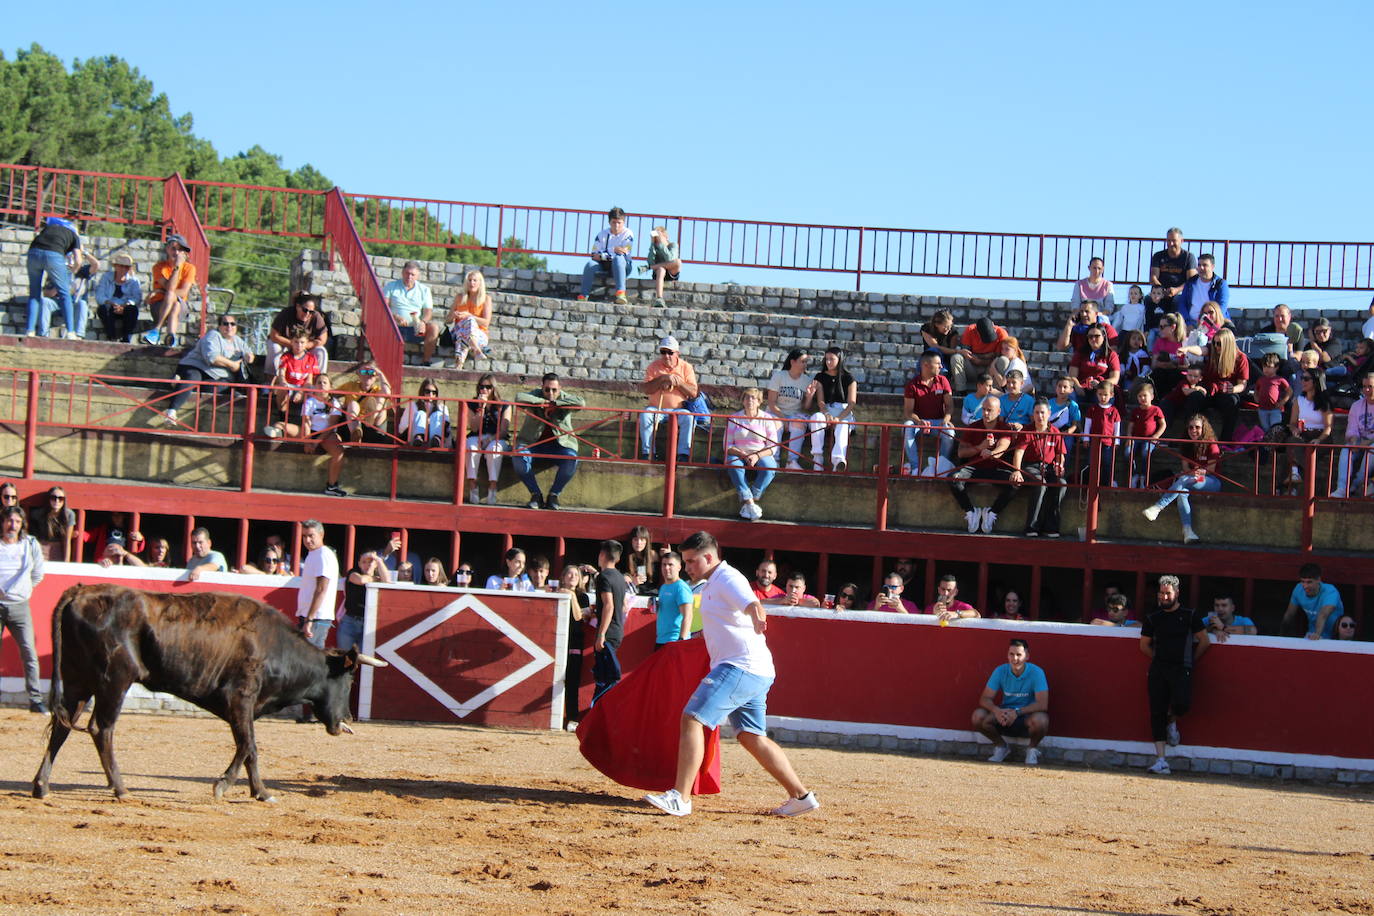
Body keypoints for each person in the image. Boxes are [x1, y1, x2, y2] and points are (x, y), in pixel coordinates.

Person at [644, 531, 818, 818]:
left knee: (692, 717)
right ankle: (801, 797)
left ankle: (681, 798)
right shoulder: (711, 583)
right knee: (751, 736)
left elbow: (751, 603)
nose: (686, 566)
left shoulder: (728, 578)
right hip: (753, 667)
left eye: (690, 561)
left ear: (709, 557)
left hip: (741, 666)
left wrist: (756, 615)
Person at [1140, 575, 1209, 775]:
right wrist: (1158, 659)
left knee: (1182, 704)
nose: (1163, 597)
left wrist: (1191, 661)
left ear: (1176, 593)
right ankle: (1161, 759)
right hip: (1159, 668)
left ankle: (1171, 720)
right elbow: (1144, 644)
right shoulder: (1153, 617)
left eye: (1167, 593)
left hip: (1182, 667)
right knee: (1156, 711)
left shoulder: (1189, 615)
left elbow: (1204, 641)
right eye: (1161, 593)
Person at [157, 312, 252, 427]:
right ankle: (171, 412)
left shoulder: (238, 341)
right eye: (225, 324)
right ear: (219, 326)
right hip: (196, 366)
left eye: (233, 324)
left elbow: (249, 354)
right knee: (193, 378)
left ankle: (178, 384)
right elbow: (212, 358)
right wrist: (233, 365)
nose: (229, 327)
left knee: (222, 386)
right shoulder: (213, 335)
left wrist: (249, 357)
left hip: (214, 376)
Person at [1142, 414, 1221, 543]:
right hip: (1192, 479)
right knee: (1182, 493)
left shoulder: (1211, 444)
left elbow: (1211, 471)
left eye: (1197, 427)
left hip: (1211, 481)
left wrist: (1195, 474)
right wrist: (1192, 474)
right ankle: (1188, 532)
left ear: (1204, 428)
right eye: (1191, 427)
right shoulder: (1186, 444)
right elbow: (1185, 468)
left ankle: (1158, 507)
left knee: (1184, 480)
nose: (1193, 430)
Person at [512, 372, 585, 510]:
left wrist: (555, 404)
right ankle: (536, 494)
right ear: (542, 388)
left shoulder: (564, 397)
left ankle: (553, 495)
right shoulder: (536, 394)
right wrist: (544, 403)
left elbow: (581, 402)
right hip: (532, 443)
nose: (550, 393)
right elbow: (519, 397)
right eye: (547, 389)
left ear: (560, 389)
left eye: (554, 390)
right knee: (518, 457)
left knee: (571, 459)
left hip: (560, 445)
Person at [972, 638, 1049, 766]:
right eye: (1011, 654)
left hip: (1026, 717)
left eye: (1019, 654)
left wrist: (1017, 712)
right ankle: (1001, 747)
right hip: (1004, 715)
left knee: (1042, 719)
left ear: (1027, 656)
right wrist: (997, 711)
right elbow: (984, 699)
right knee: (978, 716)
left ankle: (1031, 749)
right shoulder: (1000, 670)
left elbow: (1042, 704)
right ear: (1007, 655)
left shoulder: (1037, 672)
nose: (1015, 659)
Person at [0, 506, 47, 712]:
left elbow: (37, 573)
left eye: (17, 522)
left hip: (20, 605)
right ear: (2, 522)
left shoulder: (30, 544)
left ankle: (35, 700)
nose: (13, 525)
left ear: (22, 524)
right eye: (9, 521)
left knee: (29, 651)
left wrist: (23, 590)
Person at [949, 395, 1016, 534]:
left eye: (990, 410)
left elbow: (1002, 447)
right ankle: (970, 511)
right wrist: (980, 448)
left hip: (997, 468)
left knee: (1016, 483)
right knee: (953, 478)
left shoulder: (1004, 427)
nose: (985, 413)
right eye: (984, 409)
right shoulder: (974, 426)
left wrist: (992, 453)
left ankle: (992, 513)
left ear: (998, 412)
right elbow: (961, 453)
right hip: (974, 467)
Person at [1009, 399, 1067, 537]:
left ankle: (1051, 527)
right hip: (1031, 466)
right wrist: (1016, 470)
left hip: (1049, 468)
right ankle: (1031, 527)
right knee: (1040, 483)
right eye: (1036, 413)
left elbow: (1060, 454)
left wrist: (1060, 465)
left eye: (1042, 413)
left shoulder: (1055, 431)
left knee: (1062, 484)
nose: (1039, 416)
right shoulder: (1027, 430)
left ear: (1049, 414)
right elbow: (1019, 453)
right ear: (1033, 414)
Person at [1180, 328, 1249, 444]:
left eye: (1219, 344)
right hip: (1208, 389)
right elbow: (1201, 350)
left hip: (1225, 392)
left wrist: (1233, 389)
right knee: (1194, 397)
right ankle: (1187, 438)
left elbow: (1242, 384)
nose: (1216, 346)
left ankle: (1225, 442)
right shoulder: (1212, 350)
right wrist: (1187, 349)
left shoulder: (1241, 358)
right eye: (1214, 343)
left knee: (1233, 402)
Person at [639, 336, 700, 462]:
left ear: (677, 353)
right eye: (663, 352)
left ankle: (683, 454)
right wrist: (662, 379)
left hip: (678, 409)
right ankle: (648, 452)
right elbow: (646, 389)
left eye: (670, 352)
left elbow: (693, 393)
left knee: (688, 417)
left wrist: (679, 383)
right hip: (656, 408)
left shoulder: (686, 367)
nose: (666, 356)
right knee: (645, 416)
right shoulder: (653, 366)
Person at [725, 388, 781, 521]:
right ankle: (750, 502)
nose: (750, 400)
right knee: (733, 465)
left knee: (769, 468)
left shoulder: (767, 418)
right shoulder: (735, 418)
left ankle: (752, 496)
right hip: (738, 453)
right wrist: (742, 454)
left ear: (759, 402)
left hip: (760, 453)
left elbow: (773, 445)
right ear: (742, 401)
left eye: (753, 398)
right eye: (747, 397)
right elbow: (727, 445)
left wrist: (756, 456)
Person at [26, 216, 83, 340]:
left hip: (33, 253)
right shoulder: (74, 235)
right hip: (54, 255)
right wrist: (72, 271)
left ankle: (30, 331)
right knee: (64, 293)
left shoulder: (49, 229)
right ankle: (71, 332)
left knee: (34, 293)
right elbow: (78, 260)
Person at [1280, 370, 1333, 494]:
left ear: (1315, 381)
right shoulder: (1299, 400)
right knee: (1292, 442)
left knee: (1305, 452)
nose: (1302, 381)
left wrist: (1319, 439)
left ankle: (1291, 488)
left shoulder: (1324, 402)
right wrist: (1294, 430)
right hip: (1303, 434)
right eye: (1302, 378)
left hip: (1322, 436)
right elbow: (1292, 422)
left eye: (1306, 379)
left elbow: (1328, 427)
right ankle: (1295, 475)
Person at [767, 349, 821, 470]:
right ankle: (774, 460)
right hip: (776, 412)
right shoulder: (779, 376)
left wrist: (809, 397)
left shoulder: (806, 380)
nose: (805, 365)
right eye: (802, 361)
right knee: (775, 425)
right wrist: (783, 418)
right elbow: (771, 402)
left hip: (794, 415)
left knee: (799, 424)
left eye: (806, 362)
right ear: (792, 362)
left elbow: (805, 407)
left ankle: (791, 462)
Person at [901, 350, 954, 473]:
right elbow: (908, 412)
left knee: (950, 433)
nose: (941, 366)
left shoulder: (943, 381)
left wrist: (946, 420)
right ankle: (915, 468)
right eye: (938, 363)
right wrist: (919, 421)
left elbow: (950, 406)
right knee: (907, 427)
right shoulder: (912, 385)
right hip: (918, 423)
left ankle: (941, 467)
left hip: (938, 422)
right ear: (925, 365)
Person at [141, 234, 196, 347]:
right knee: (174, 303)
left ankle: (156, 330)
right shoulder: (159, 267)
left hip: (181, 307)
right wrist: (176, 269)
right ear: (167, 249)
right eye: (173, 249)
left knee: (175, 302)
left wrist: (161, 292)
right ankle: (171, 337)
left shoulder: (189, 268)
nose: (176, 253)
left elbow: (183, 292)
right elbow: (170, 288)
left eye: (180, 249)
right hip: (159, 307)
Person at [383, 260, 442, 366]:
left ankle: (426, 361)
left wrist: (423, 322)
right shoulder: (391, 286)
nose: (409, 277)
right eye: (407, 273)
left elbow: (428, 312)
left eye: (412, 274)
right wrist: (394, 316)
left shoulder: (424, 290)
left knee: (434, 327)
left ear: (418, 275)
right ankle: (387, 360)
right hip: (394, 327)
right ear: (402, 272)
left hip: (415, 328)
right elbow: (383, 306)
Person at [591, 539, 629, 703]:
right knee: (605, 677)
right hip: (617, 631)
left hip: (608, 633)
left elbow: (609, 606)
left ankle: (599, 717)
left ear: (602, 555)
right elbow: (623, 607)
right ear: (618, 558)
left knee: (604, 679)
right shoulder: (620, 577)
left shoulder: (603, 577)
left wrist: (601, 634)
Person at [810, 346, 858, 472]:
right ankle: (817, 458)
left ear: (840, 359)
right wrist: (826, 414)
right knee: (815, 418)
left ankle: (838, 460)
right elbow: (820, 400)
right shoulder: (820, 376)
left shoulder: (849, 378)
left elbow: (852, 403)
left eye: (832, 359)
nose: (828, 362)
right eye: (826, 359)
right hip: (826, 411)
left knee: (843, 425)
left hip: (844, 414)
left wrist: (838, 418)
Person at [301, 374, 349, 497]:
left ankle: (331, 486)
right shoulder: (309, 401)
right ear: (315, 386)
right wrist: (307, 441)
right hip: (310, 432)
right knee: (282, 426)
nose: (321, 385)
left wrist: (316, 442)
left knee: (339, 452)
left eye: (324, 382)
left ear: (330, 387)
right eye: (319, 382)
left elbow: (331, 426)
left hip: (326, 434)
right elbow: (306, 423)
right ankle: (276, 430)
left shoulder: (334, 403)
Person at [463, 374, 509, 505]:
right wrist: (481, 408)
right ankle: (472, 486)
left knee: (493, 449)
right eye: (481, 387)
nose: (484, 390)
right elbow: (474, 428)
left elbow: (504, 430)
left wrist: (490, 439)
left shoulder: (503, 405)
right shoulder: (472, 404)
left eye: (488, 387)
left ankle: (492, 487)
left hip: (497, 438)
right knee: (471, 447)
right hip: (477, 436)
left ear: (493, 388)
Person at [265, 291, 329, 379]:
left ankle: (319, 382)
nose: (307, 314)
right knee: (274, 348)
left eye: (311, 312)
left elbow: (322, 339)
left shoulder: (316, 317)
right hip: (285, 344)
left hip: (305, 346)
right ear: (297, 306)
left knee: (321, 351)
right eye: (305, 310)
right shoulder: (286, 313)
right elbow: (274, 335)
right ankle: (270, 380)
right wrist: (292, 344)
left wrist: (306, 345)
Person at [295, 520, 339, 648]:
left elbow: (321, 589)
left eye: (311, 536)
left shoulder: (323, 555)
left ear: (321, 535)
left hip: (316, 619)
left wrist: (309, 619)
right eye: (304, 536)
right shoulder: (314, 554)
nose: (307, 540)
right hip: (313, 617)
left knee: (308, 660)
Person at [1330, 373, 1374, 498]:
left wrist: (1366, 443)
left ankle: (1356, 482)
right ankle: (1342, 488)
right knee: (1346, 450)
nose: (1366, 390)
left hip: (1371, 444)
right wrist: (1354, 440)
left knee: (1371, 450)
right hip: (1360, 440)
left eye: (1370, 386)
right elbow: (1352, 428)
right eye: (1364, 386)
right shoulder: (1357, 405)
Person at [578, 207, 634, 304]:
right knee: (590, 265)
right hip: (604, 265)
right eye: (614, 222)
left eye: (619, 223)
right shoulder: (601, 234)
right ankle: (584, 295)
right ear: (609, 222)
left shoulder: (628, 233)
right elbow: (594, 255)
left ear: (623, 222)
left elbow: (624, 252)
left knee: (618, 258)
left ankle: (621, 293)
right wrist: (612, 250)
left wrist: (604, 254)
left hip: (623, 266)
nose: (616, 226)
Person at [338, 551, 391, 652]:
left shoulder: (377, 575)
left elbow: (387, 582)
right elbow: (361, 580)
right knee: (344, 657)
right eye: (364, 562)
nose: (367, 565)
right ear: (358, 563)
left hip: (369, 623)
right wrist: (373, 578)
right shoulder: (353, 572)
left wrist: (379, 560)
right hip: (350, 621)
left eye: (370, 562)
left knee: (365, 660)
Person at [1282, 563, 1345, 640]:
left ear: (1318, 579)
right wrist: (1281, 635)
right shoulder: (1298, 589)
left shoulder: (1330, 591)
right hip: (1312, 633)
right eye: (1303, 581)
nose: (1305, 586)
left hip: (1336, 635)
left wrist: (1317, 634)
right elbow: (1289, 614)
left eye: (1309, 582)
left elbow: (1323, 614)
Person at [335, 361, 394, 443]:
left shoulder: (378, 390)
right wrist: (338, 404)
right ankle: (356, 433)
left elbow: (387, 392)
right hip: (351, 425)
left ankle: (371, 417)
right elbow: (331, 394)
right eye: (364, 371)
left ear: (376, 375)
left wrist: (380, 373)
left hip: (373, 426)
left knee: (381, 398)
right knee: (353, 404)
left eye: (371, 372)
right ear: (358, 373)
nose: (367, 375)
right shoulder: (350, 386)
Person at [445, 269, 493, 370]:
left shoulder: (486, 299)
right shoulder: (460, 297)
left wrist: (469, 315)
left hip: (479, 335)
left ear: (480, 283)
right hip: (458, 331)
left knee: (466, 328)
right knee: (466, 327)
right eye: (470, 280)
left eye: (475, 280)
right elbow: (447, 321)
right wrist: (454, 315)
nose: (472, 283)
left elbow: (486, 323)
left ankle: (459, 364)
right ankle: (476, 349)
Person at [94, 252, 143, 342]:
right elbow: (99, 295)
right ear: (115, 266)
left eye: (127, 267)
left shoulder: (134, 281)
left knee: (132, 310)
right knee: (103, 309)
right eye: (121, 266)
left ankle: (126, 339)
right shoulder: (106, 277)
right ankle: (111, 337)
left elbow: (137, 298)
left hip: (126, 307)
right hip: (110, 306)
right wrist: (110, 303)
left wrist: (126, 304)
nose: (123, 269)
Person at [1126, 381, 1166, 488]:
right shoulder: (1136, 411)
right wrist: (1129, 437)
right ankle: (1133, 476)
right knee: (1128, 453)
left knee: (1145, 452)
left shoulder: (1156, 410)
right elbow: (1130, 425)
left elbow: (1163, 425)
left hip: (1150, 439)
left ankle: (1144, 477)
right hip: (1136, 438)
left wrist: (1156, 436)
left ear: (1152, 396)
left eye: (1145, 395)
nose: (1142, 398)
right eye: (1140, 396)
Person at [1148, 228, 1198, 314]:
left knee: (1177, 301)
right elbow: (1153, 277)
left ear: (1181, 241)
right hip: (1160, 292)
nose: (1171, 244)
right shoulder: (1158, 256)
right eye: (1168, 240)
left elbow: (1191, 281)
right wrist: (1161, 290)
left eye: (1174, 241)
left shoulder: (1189, 257)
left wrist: (1176, 290)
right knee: (1148, 300)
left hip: (1180, 293)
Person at [922, 309, 973, 391]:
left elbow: (951, 351)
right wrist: (959, 351)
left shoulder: (953, 332)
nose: (948, 329)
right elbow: (935, 346)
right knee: (934, 351)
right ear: (936, 324)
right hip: (929, 359)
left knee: (941, 371)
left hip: (945, 360)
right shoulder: (926, 328)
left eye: (950, 326)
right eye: (945, 326)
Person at [1068, 325, 1121, 403]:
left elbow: (1115, 378)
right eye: (1090, 336)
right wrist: (1078, 386)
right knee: (1069, 393)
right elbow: (1072, 375)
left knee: (1106, 396)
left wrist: (1100, 384)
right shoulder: (1080, 353)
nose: (1093, 339)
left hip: (1101, 390)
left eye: (1097, 336)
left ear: (1103, 337)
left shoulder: (1111, 355)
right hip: (1082, 388)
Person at [654, 550, 694, 647]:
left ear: (679, 567)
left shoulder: (681, 587)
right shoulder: (663, 587)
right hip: (661, 640)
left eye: (670, 565)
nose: (666, 568)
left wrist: (681, 640)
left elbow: (688, 616)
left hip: (675, 641)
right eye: (664, 565)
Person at [399, 377, 451, 448]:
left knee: (437, 415)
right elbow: (402, 428)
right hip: (413, 440)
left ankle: (436, 439)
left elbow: (447, 431)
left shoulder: (442, 407)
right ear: (422, 392)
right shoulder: (413, 405)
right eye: (427, 392)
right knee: (421, 414)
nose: (430, 395)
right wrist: (419, 422)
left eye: (434, 393)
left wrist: (431, 422)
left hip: (437, 443)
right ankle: (419, 437)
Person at [958, 317, 1009, 390]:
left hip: (990, 368)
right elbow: (966, 353)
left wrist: (981, 360)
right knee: (956, 357)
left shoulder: (1002, 334)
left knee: (1004, 360)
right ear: (977, 331)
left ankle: (995, 391)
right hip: (973, 367)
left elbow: (998, 357)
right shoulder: (970, 330)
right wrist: (987, 356)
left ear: (993, 325)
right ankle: (961, 390)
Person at [1179, 254, 1230, 324]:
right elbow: (1182, 303)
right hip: (1192, 323)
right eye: (1199, 265)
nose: (1201, 268)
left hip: (1214, 323)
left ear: (1212, 267)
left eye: (1205, 265)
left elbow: (1222, 306)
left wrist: (1210, 323)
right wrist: (1187, 323)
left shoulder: (1220, 284)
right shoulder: (1190, 283)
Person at [28, 486, 75, 561]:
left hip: (58, 549)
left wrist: (67, 561)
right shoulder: (39, 513)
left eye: (60, 498)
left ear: (64, 501)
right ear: (48, 499)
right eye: (53, 498)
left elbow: (67, 540)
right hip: (41, 547)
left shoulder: (69, 514)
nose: (57, 501)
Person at [641, 225, 681, 307]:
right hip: (659, 273)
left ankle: (649, 269)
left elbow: (670, 259)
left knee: (678, 262)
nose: (657, 239)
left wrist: (661, 245)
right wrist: (652, 244)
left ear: (666, 236)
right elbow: (650, 262)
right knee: (661, 269)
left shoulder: (673, 245)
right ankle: (659, 298)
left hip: (671, 272)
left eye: (659, 236)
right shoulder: (654, 246)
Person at [1254, 353, 1293, 432]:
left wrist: (1282, 402)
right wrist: (1256, 399)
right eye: (1264, 367)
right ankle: (1267, 443)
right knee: (1265, 428)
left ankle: (1274, 443)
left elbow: (1290, 391)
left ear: (1276, 367)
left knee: (1275, 428)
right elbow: (1256, 390)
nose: (1266, 369)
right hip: (1262, 409)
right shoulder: (1260, 380)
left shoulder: (1280, 380)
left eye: (1269, 367)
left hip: (1275, 409)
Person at [623, 526, 656, 592]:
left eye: (642, 539)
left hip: (651, 591)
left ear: (646, 541)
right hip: (632, 591)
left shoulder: (653, 555)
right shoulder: (626, 556)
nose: (638, 543)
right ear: (631, 541)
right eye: (635, 539)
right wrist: (632, 581)